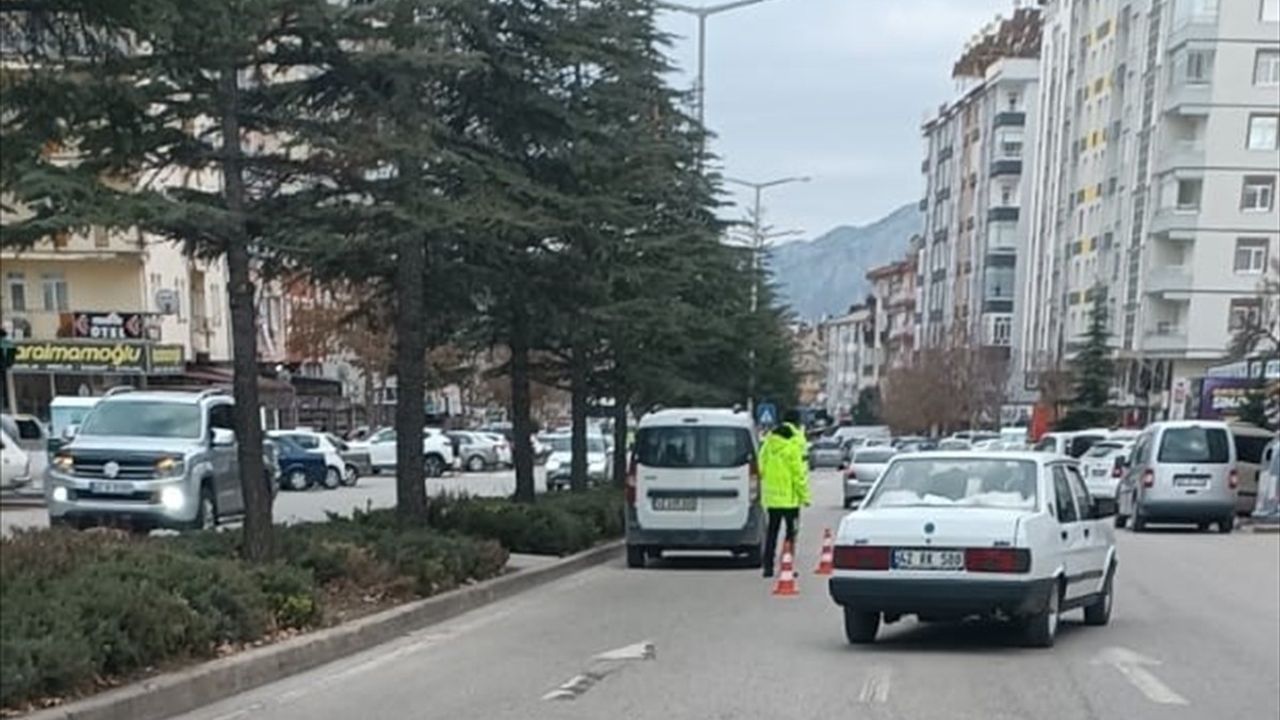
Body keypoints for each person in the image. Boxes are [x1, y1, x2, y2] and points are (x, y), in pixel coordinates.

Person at [758, 423, 811, 578]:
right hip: (790, 502)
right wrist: (805, 497)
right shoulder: (791, 449)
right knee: (790, 533)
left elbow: (761, 469)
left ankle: (768, 567)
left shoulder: (767, 448)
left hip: (772, 500)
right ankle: (787, 565)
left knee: (771, 533)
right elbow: (798, 476)